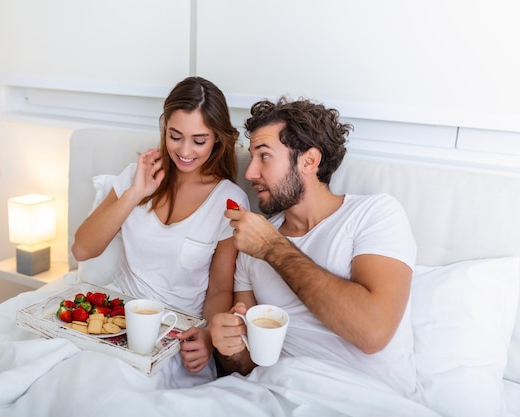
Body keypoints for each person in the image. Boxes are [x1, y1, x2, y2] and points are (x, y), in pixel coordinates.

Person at [211, 97, 421, 400]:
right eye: (252, 158)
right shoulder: (251, 244)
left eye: (264, 156)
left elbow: (373, 331)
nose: (250, 173)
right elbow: (248, 366)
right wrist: (229, 348)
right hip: (273, 394)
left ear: (309, 161)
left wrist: (272, 247)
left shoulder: (374, 214)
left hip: (364, 401)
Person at [72, 76, 249, 383]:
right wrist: (134, 194)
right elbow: (83, 249)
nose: (185, 151)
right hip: (115, 318)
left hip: (172, 334)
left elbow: (220, 288)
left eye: (199, 140)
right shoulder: (137, 176)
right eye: (175, 135)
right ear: (164, 127)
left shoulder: (228, 199)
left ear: (217, 138)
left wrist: (207, 335)